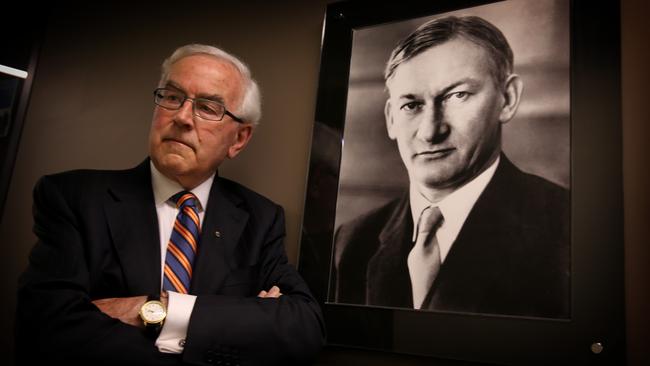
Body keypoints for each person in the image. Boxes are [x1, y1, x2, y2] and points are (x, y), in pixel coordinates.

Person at [15, 44, 325, 365]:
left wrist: (156, 309)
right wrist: (232, 323)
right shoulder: (73, 197)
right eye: (173, 97)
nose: (181, 117)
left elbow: (302, 326)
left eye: (207, 107)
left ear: (239, 139)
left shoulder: (260, 218)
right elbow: (46, 328)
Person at [333, 16, 570, 318]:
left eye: (458, 95)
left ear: (507, 99)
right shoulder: (352, 241)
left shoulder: (566, 229)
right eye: (411, 105)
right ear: (392, 119)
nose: (431, 131)